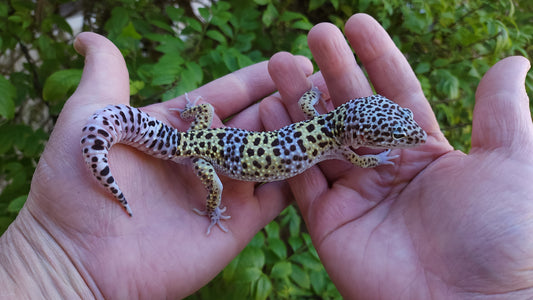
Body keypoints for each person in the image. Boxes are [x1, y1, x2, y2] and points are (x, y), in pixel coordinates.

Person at [1, 13, 532, 299]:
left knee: (192, 130)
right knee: (208, 183)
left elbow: (305, 100)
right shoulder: (343, 143)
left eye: (401, 135)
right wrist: (55, 261)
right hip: (205, 156)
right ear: (363, 131)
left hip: (211, 137)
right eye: (397, 135)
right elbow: (358, 152)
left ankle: (173, 127)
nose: (404, 140)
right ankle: (205, 201)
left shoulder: (325, 122)